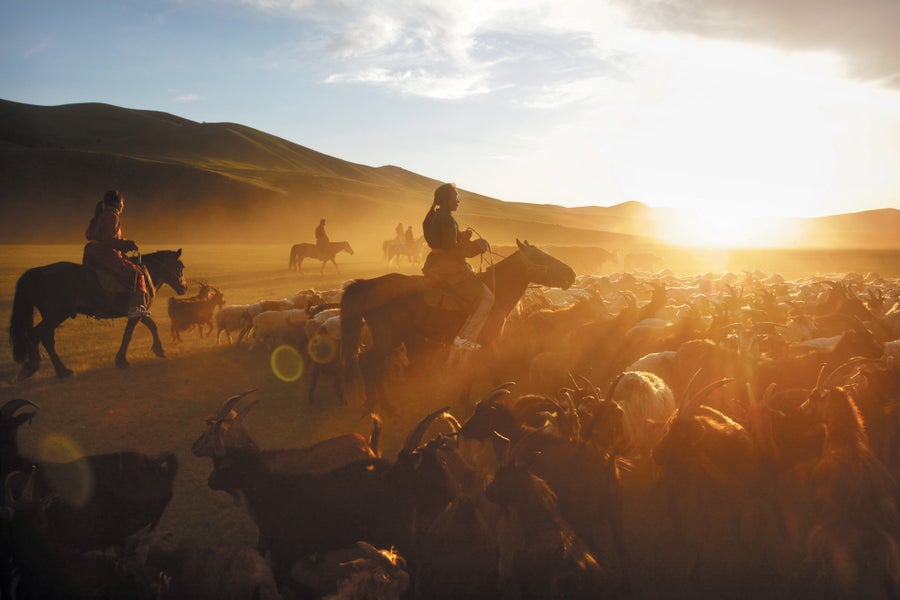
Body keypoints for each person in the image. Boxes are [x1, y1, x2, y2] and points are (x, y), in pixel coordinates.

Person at [422, 182, 493, 351]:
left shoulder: (435, 216)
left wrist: (461, 236)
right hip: (448, 268)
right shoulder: (446, 219)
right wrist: (477, 246)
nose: (458, 201)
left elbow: (444, 241)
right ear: (447, 199)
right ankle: (465, 338)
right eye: (456, 198)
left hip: (434, 263)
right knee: (487, 298)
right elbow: (451, 251)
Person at [82, 189, 150, 318]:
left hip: (92, 253)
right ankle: (135, 307)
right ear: (118, 203)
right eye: (123, 203)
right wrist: (127, 244)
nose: (123, 206)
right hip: (105, 255)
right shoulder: (111, 216)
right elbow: (109, 240)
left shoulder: (100, 215)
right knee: (137, 273)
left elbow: (90, 235)